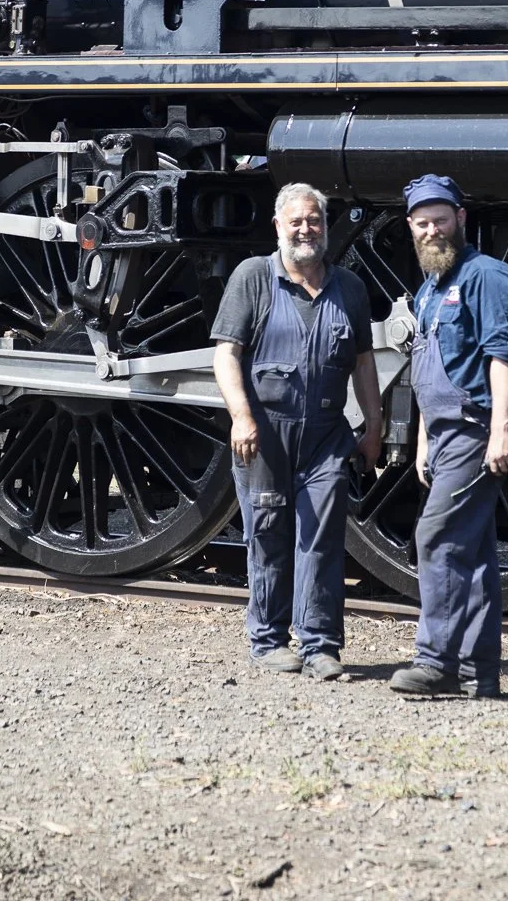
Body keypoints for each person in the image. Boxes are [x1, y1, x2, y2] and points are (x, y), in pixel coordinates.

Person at [212, 183, 382, 680]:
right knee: (268, 535)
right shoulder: (253, 278)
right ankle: (267, 640)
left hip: (327, 434)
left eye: (314, 221)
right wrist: (242, 416)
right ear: (278, 227)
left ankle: (321, 645)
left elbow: (364, 362)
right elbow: (227, 355)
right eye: (296, 222)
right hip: (266, 434)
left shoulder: (348, 286)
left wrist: (372, 425)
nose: (306, 230)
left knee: (323, 538)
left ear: (325, 228)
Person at [389, 174, 508, 699]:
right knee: (471, 553)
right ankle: (479, 672)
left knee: (438, 538)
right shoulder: (429, 289)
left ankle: (436, 661)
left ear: (461, 219)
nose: (432, 230)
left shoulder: (487, 277)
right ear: (411, 227)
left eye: (440, 220)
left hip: (474, 431)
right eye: (422, 223)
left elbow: (503, 356)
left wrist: (501, 429)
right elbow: (428, 371)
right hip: (443, 437)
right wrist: (423, 439)